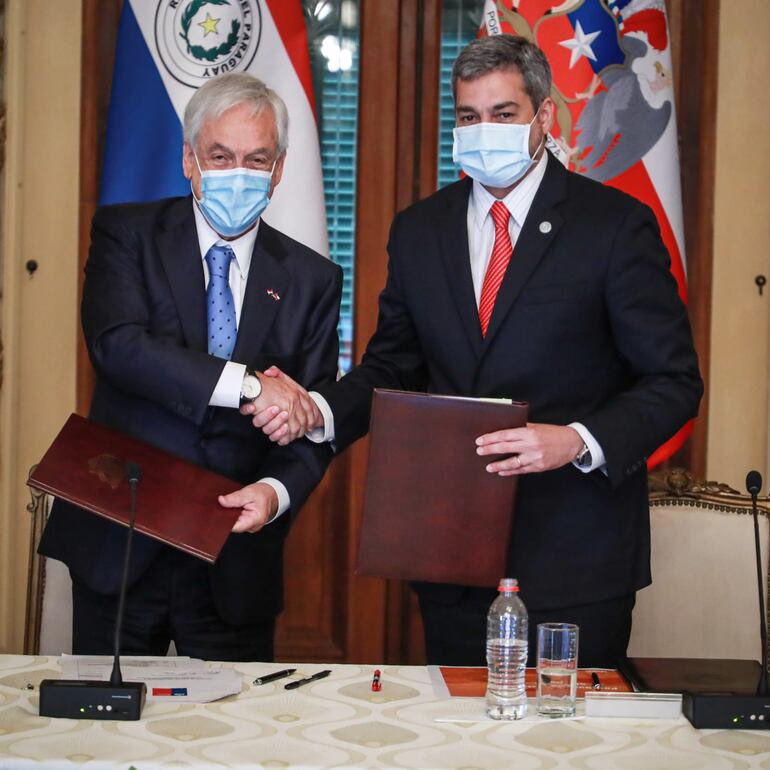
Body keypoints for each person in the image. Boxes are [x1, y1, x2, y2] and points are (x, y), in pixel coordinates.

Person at [245, 35, 703, 667]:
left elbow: (674, 380)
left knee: (564, 756)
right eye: (468, 116)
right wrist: (317, 411)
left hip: (575, 555)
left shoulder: (614, 226)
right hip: (451, 550)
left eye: (503, 114)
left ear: (544, 117)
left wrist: (576, 439)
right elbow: (391, 366)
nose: (483, 130)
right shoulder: (419, 229)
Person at [38, 73, 342, 661]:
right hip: (120, 543)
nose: (239, 173)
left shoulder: (312, 279)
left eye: (257, 159)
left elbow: (312, 417)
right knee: (107, 738)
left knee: (232, 746)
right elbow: (119, 347)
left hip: (234, 555)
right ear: (189, 160)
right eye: (220, 155)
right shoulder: (127, 235)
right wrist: (253, 386)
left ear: (279, 170)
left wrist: (277, 493)